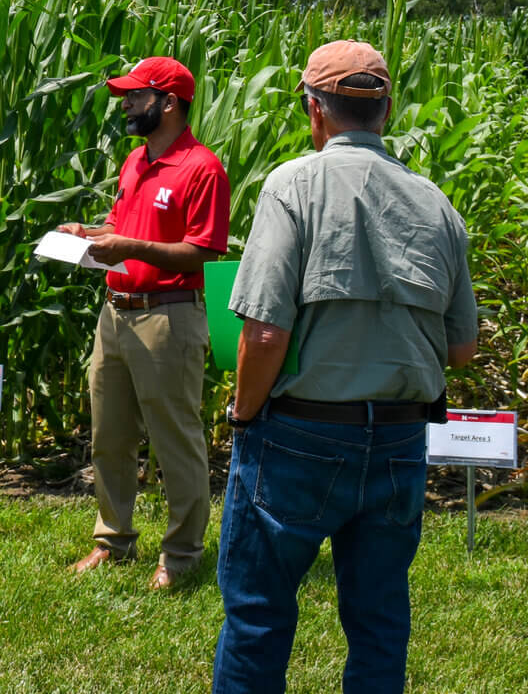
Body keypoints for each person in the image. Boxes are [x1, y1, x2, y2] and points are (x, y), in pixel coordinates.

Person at [213, 41, 479, 694]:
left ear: (314, 112)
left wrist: (243, 414)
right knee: (381, 621)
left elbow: (266, 330)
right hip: (398, 441)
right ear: (385, 111)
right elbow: (462, 349)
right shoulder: (435, 204)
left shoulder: (293, 185)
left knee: (258, 615)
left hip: (297, 436)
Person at [60, 55, 229, 591]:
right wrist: (90, 233)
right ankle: (113, 539)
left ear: (169, 102)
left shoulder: (203, 168)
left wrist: (129, 246)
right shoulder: (135, 161)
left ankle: (181, 553)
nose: (126, 103)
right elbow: (122, 225)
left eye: (136, 95)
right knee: (109, 435)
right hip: (115, 313)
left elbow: (204, 253)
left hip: (168, 317)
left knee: (174, 438)